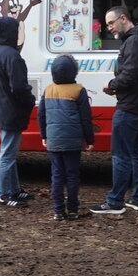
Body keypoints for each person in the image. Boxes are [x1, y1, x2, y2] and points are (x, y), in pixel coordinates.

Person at [90, 7, 138, 215]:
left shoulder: (134, 42)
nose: (109, 28)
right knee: (137, 153)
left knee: (121, 155)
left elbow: (130, 74)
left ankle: (115, 201)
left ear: (123, 18)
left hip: (129, 107)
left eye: (111, 23)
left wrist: (112, 84)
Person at [0, 16, 36, 208]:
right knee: (7, 153)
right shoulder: (12, 55)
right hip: (11, 110)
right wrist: (30, 101)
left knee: (10, 151)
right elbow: (19, 87)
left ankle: (14, 189)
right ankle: (4, 194)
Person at [39, 55, 95, 221]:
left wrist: (44, 135)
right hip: (72, 141)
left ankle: (58, 211)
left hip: (54, 140)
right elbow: (86, 117)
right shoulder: (78, 90)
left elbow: (41, 114)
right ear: (74, 72)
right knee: (72, 175)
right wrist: (89, 139)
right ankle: (72, 210)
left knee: (57, 175)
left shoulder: (48, 89)